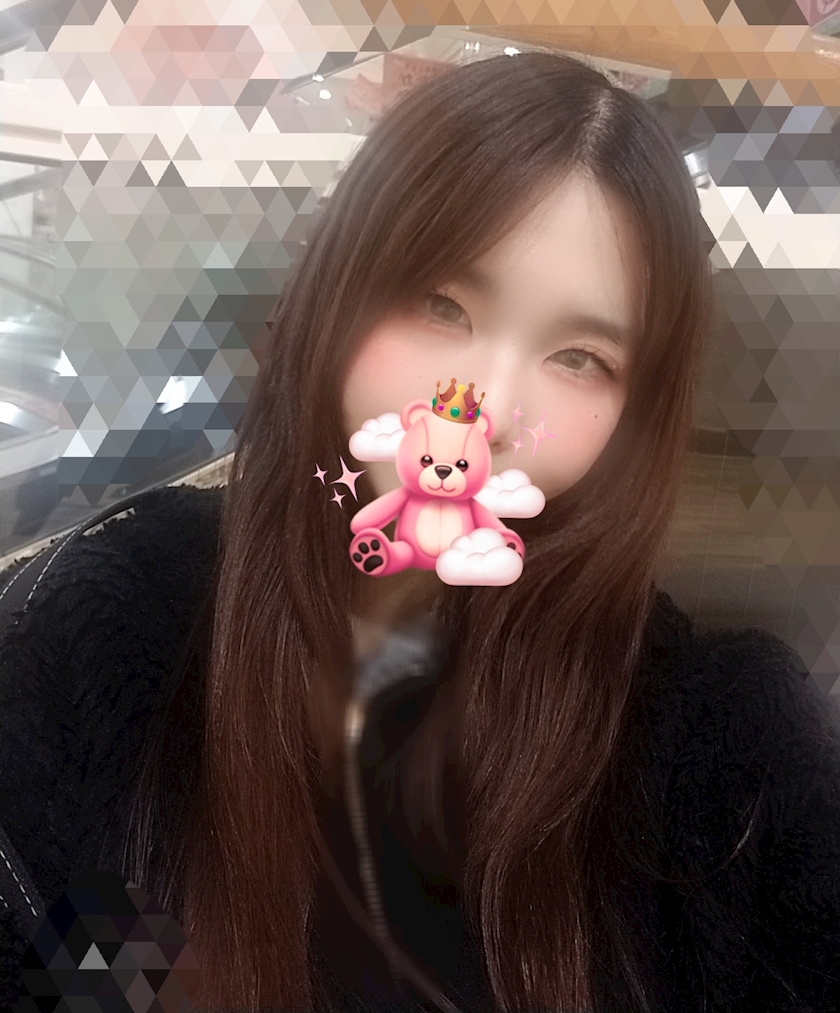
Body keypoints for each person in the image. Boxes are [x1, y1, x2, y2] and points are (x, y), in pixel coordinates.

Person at [0, 51, 838, 1013]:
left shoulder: (720, 756)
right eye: (444, 306)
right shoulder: (105, 652)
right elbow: (83, 971)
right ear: (340, 291)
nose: (485, 408)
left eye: (579, 358)